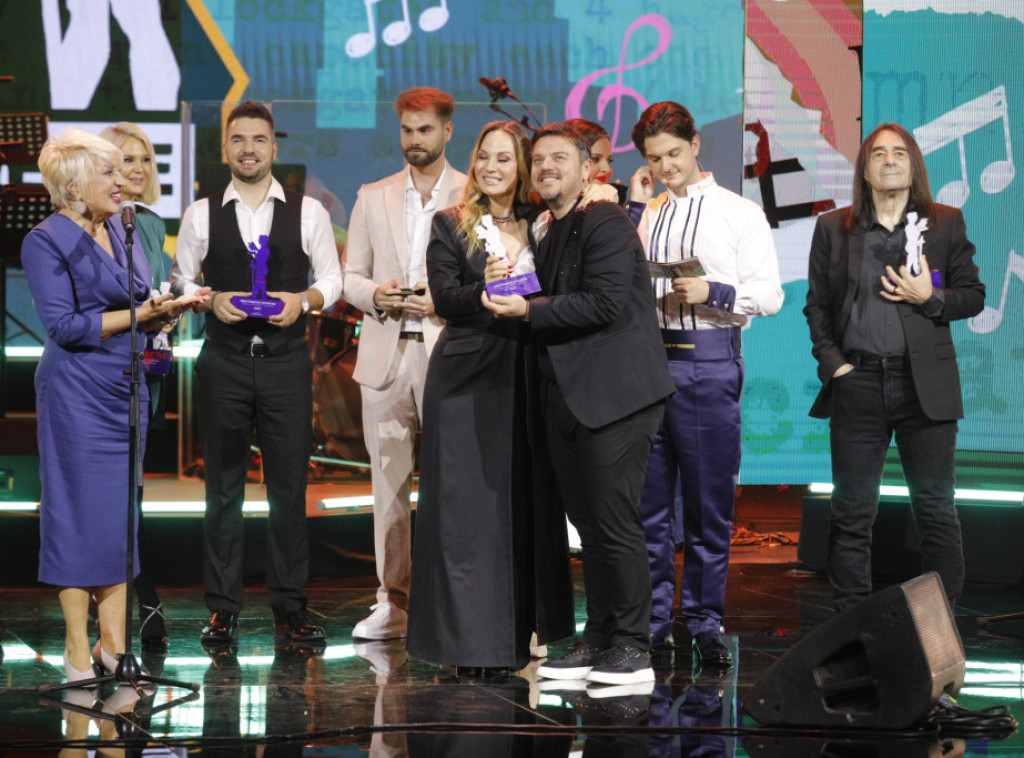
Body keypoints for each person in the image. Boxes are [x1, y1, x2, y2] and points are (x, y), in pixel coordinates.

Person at [483, 122, 675, 688]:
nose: (546, 167)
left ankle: (633, 647)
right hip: (569, 396)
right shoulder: (551, 227)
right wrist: (497, 287)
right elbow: (548, 292)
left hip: (617, 398)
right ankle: (600, 638)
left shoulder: (607, 221)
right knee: (590, 528)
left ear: (588, 168)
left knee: (615, 523)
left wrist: (528, 310)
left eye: (559, 158)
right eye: (538, 159)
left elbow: (603, 303)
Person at [23, 127, 205, 685]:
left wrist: (167, 308)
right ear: (74, 185)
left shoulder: (123, 228)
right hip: (76, 392)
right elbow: (65, 326)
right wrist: (142, 315)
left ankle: (114, 645)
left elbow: (137, 301)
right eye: (107, 171)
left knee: (120, 519)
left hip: (126, 387)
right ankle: (78, 650)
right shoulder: (46, 240)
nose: (122, 179)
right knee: (78, 516)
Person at [171, 101, 343, 650]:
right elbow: (180, 282)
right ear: (226, 148)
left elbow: (333, 279)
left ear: (273, 147)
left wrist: (304, 300)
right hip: (223, 363)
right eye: (239, 140)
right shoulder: (200, 214)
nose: (249, 149)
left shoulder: (308, 211)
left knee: (289, 491)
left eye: (259, 140)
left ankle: (290, 607)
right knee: (221, 492)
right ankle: (222, 610)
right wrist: (209, 298)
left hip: (286, 364)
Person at [406, 120, 574, 673]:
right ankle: (464, 644)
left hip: (527, 371)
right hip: (466, 376)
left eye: (504, 158)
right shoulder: (450, 222)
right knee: (465, 514)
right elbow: (445, 298)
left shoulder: (542, 221)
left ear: (521, 166)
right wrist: (486, 289)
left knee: (520, 507)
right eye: (484, 156)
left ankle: (516, 636)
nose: (491, 167)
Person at [804, 123, 985, 611]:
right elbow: (817, 306)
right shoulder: (833, 227)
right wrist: (835, 366)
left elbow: (973, 296)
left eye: (899, 153)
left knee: (935, 510)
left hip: (923, 385)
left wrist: (932, 298)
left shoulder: (944, 223)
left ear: (913, 165)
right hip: (857, 382)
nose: (889, 160)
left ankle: (939, 626)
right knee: (851, 511)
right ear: (864, 169)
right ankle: (851, 626)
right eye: (878, 153)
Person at [628, 102, 784, 667]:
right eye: (654, 158)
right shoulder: (647, 213)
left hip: (709, 361)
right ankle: (652, 623)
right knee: (649, 509)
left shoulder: (739, 212)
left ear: (695, 144)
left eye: (673, 153)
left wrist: (713, 292)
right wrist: (633, 207)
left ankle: (704, 621)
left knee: (707, 506)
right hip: (648, 364)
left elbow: (771, 295)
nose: (666, 167)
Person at [343, 87, 466, 641]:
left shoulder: (472, 191)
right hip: (385, 352)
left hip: (449, 351)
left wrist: (443, 300)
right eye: (407, 130)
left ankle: (454, 603)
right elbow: (350, 276)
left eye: (425, 130)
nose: (414, 140)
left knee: (453, 484)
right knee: (388, 486)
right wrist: (376, 294)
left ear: (447, 131)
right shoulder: (373, 195)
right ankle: (392, 601)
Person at [100, 121, 171, 652]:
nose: (139, 169)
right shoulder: (95, 223)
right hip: (107, 369)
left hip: (150, 366)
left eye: (145, 159)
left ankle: (140, 598)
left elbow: (154, 289)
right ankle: (129, 603)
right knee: (112, 490)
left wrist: (175, 306)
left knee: (136, 488)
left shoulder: (150, 222)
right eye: (127, 160)